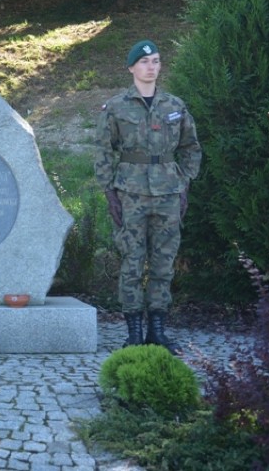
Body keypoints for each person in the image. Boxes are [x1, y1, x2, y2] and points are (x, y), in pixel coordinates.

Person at [94, 40, 202, 355]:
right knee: (131, 260)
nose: (151, 67)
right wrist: (109, 189)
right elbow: (102, 150)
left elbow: (191, 147)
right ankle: (133, 333)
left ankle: (157, 330)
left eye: (156, 61)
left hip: (168, 192)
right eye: (144, 62)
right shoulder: (116, 107)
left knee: (163, 262)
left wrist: (185, 182)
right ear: (131, 68)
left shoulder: (174, 106)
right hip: (130, 193)